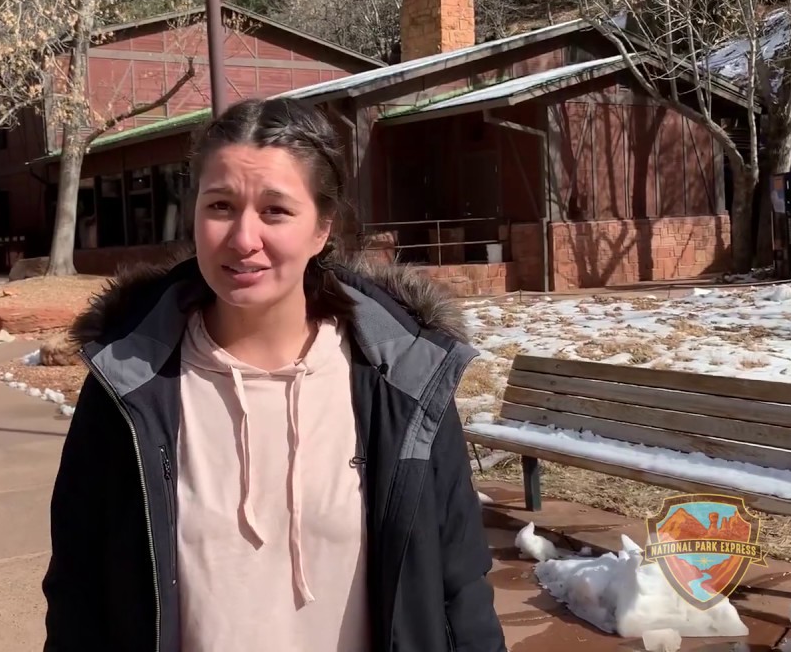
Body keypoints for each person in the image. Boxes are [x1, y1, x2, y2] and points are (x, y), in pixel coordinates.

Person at [42, 97, 506, 652]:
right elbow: (79, 591)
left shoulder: (403, 382)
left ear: (321, 229)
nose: (243, 238)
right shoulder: (129, 382)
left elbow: (460, 585)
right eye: (220, 206)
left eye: (276, 211)